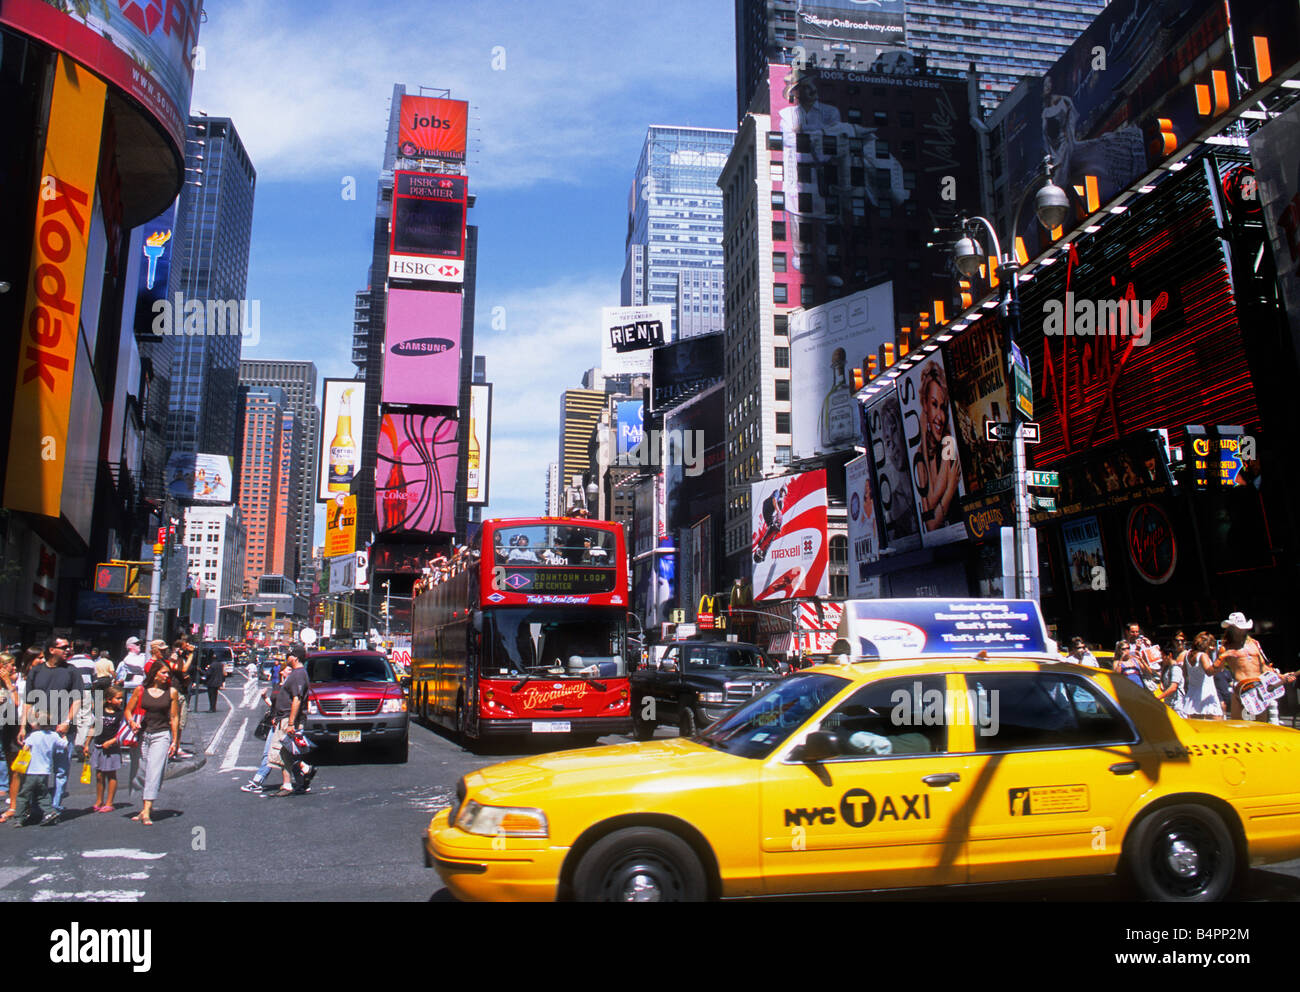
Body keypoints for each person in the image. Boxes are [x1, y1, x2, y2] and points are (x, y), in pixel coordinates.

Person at [19, 637, 80, 823]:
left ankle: (55, 807)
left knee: (61, 770)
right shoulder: (36, 671)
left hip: (62, 728)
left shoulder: (71, 671)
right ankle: (40, 807)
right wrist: (23, 726)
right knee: (38, 769)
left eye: (69, 647)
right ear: (52, 650)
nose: (68, 650)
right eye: (63, 647)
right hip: (38, 728)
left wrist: (67, 721)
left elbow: (77, 699)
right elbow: (28, 702)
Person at [124, 661, 179, 825]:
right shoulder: (140, 690)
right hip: (143, 735)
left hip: (161, 735)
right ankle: (143, 807)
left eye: (168, 673)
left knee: (154, 772)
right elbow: (128, 710)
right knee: (140, 772)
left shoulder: (171, 692)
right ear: (154, 674)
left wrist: (175, 741)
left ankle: (147, 810)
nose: (167, 676)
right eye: (164, 673)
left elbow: (174, 717)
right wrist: (132, 723)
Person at [1218, 612, 1294, 723]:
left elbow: (1264, 666)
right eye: (1237, 628)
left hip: (1258, 689)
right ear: (1231, 629)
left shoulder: (1254, 643)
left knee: (1260, 725)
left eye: (1242, 628)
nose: (1241, 630)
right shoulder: (1225, 648)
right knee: (1240, 726)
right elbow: (1218, 669)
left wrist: (1280, 676)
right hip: (1241, 689)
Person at [916, 362, 961, 532]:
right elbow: (930, 523)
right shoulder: (921, 453)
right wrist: (950, 489)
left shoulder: (948, 442)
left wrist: (947, 492)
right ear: (925, 405)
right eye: (934, 404)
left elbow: (932, 504)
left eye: (943, 407)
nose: (940, 417)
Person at [2, 711, 67, 826]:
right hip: (44, 772)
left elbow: (26, 747)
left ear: (36, 724)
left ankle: (19, 817)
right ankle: (49, 812)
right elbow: (64, 744)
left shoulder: (33, 736)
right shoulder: (53, 736)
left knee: (23, 795)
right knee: (43, 794)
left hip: (31, 771)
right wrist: (64, 735)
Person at [267, 645, 312, 796]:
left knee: (285, 751)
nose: (287, 658)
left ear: (296, 658)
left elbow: (297, 699)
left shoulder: (299, 674)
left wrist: (291, 723)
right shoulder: (296, 674)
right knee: (285, 751)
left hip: (288, 718)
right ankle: (294, 779)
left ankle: (294, 778)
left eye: (289, 655)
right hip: (284, 717)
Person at [90, 687, 125, 812]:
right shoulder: (100, 711)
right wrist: (86, 743)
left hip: (112, 749)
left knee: (111, 774)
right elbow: (93, 727)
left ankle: (109, 802)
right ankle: (99, 800)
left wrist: (111, 742)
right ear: (109, 700)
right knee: (99, 775)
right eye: (118, 698)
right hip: (99, 746)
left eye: (121, 698)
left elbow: (122, 732)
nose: (121, 700)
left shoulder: (121, 714)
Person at [65, 640, 97, 760]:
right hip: (86, 691)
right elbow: (94, 679)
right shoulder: (90, 662)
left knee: (74, 716)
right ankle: (80, 742)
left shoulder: (69, 662)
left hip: (72, 691)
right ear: (84, 647)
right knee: (86, 717)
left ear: (73, 648)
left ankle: (72, 742)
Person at [1183, 632, 1225, 719]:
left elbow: (1185, 673)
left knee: (1197, 727)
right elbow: (1209, 672)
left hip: (1193, 695)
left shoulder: (1187, 655)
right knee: (1217, 726)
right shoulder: (1203, 656)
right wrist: (1221, 657)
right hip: (1206, 694)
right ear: (1208, 645)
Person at [201, 647, 225, 712]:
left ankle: (211, 708)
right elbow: (222, 674)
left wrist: (201, 671)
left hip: (211, 683)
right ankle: (213, 707)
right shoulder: (220, 665)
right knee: (215, 696)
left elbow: (208, 673)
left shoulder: (212, 665)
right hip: (217, 683)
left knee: (211, 696)